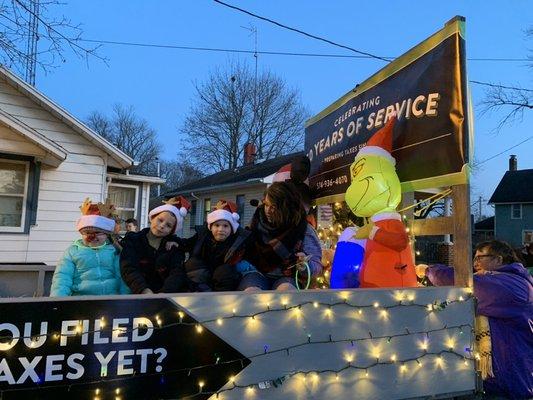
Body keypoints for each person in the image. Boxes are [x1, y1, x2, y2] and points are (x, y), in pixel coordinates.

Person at [417, 240, 533, 399]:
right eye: (475, 258)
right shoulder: (502, 280)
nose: (475, 263)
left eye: (480, 257)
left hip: (509, 376)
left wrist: (429, 271)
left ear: (499, 259)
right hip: (497, 374)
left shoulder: (512, 285)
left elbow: (466, 284)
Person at [239, 181, 323, 291]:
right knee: (252, 293)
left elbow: (317, 266)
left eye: (274, 207)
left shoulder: (303, 229)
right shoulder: (256, 222)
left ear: (286, 208)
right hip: (256, 273)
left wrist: (304, 265)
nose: (268, 210)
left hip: (287, 277)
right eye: (266, 205)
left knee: (286, 292)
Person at [50, 198, 130, 296]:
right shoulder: (72, 251)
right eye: (87, 233)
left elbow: (121, 277)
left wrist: (125, 300)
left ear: (106, 234)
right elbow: (63, 277)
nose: (92, 236)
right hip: (82, 300)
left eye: (97, 233)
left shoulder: (113, 251)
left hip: (110, 300)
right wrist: (59, 301)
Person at [169, 200, 252, 292]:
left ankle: (221, 297)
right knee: (192, 263)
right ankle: (200, 290)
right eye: (216, 225)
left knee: (225, 270)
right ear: (210, 227)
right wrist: (176, 243)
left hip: (224, 277)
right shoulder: (203, 236)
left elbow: (246, 241)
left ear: (232, 229)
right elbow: (187, 243)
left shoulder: (237, 241)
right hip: (203, 273)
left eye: (225, 226)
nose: (221, 229)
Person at [120, 196, 190, 294]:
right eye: (160, 220)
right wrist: (143, 289)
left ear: (172, 231)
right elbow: (128, 268)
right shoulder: (134, 241)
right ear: (152, 218)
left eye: (168, 225)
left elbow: (177, 273)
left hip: (166, 296)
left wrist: (165, 293)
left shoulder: (174, 246)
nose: (162, 226)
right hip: (137, 293)